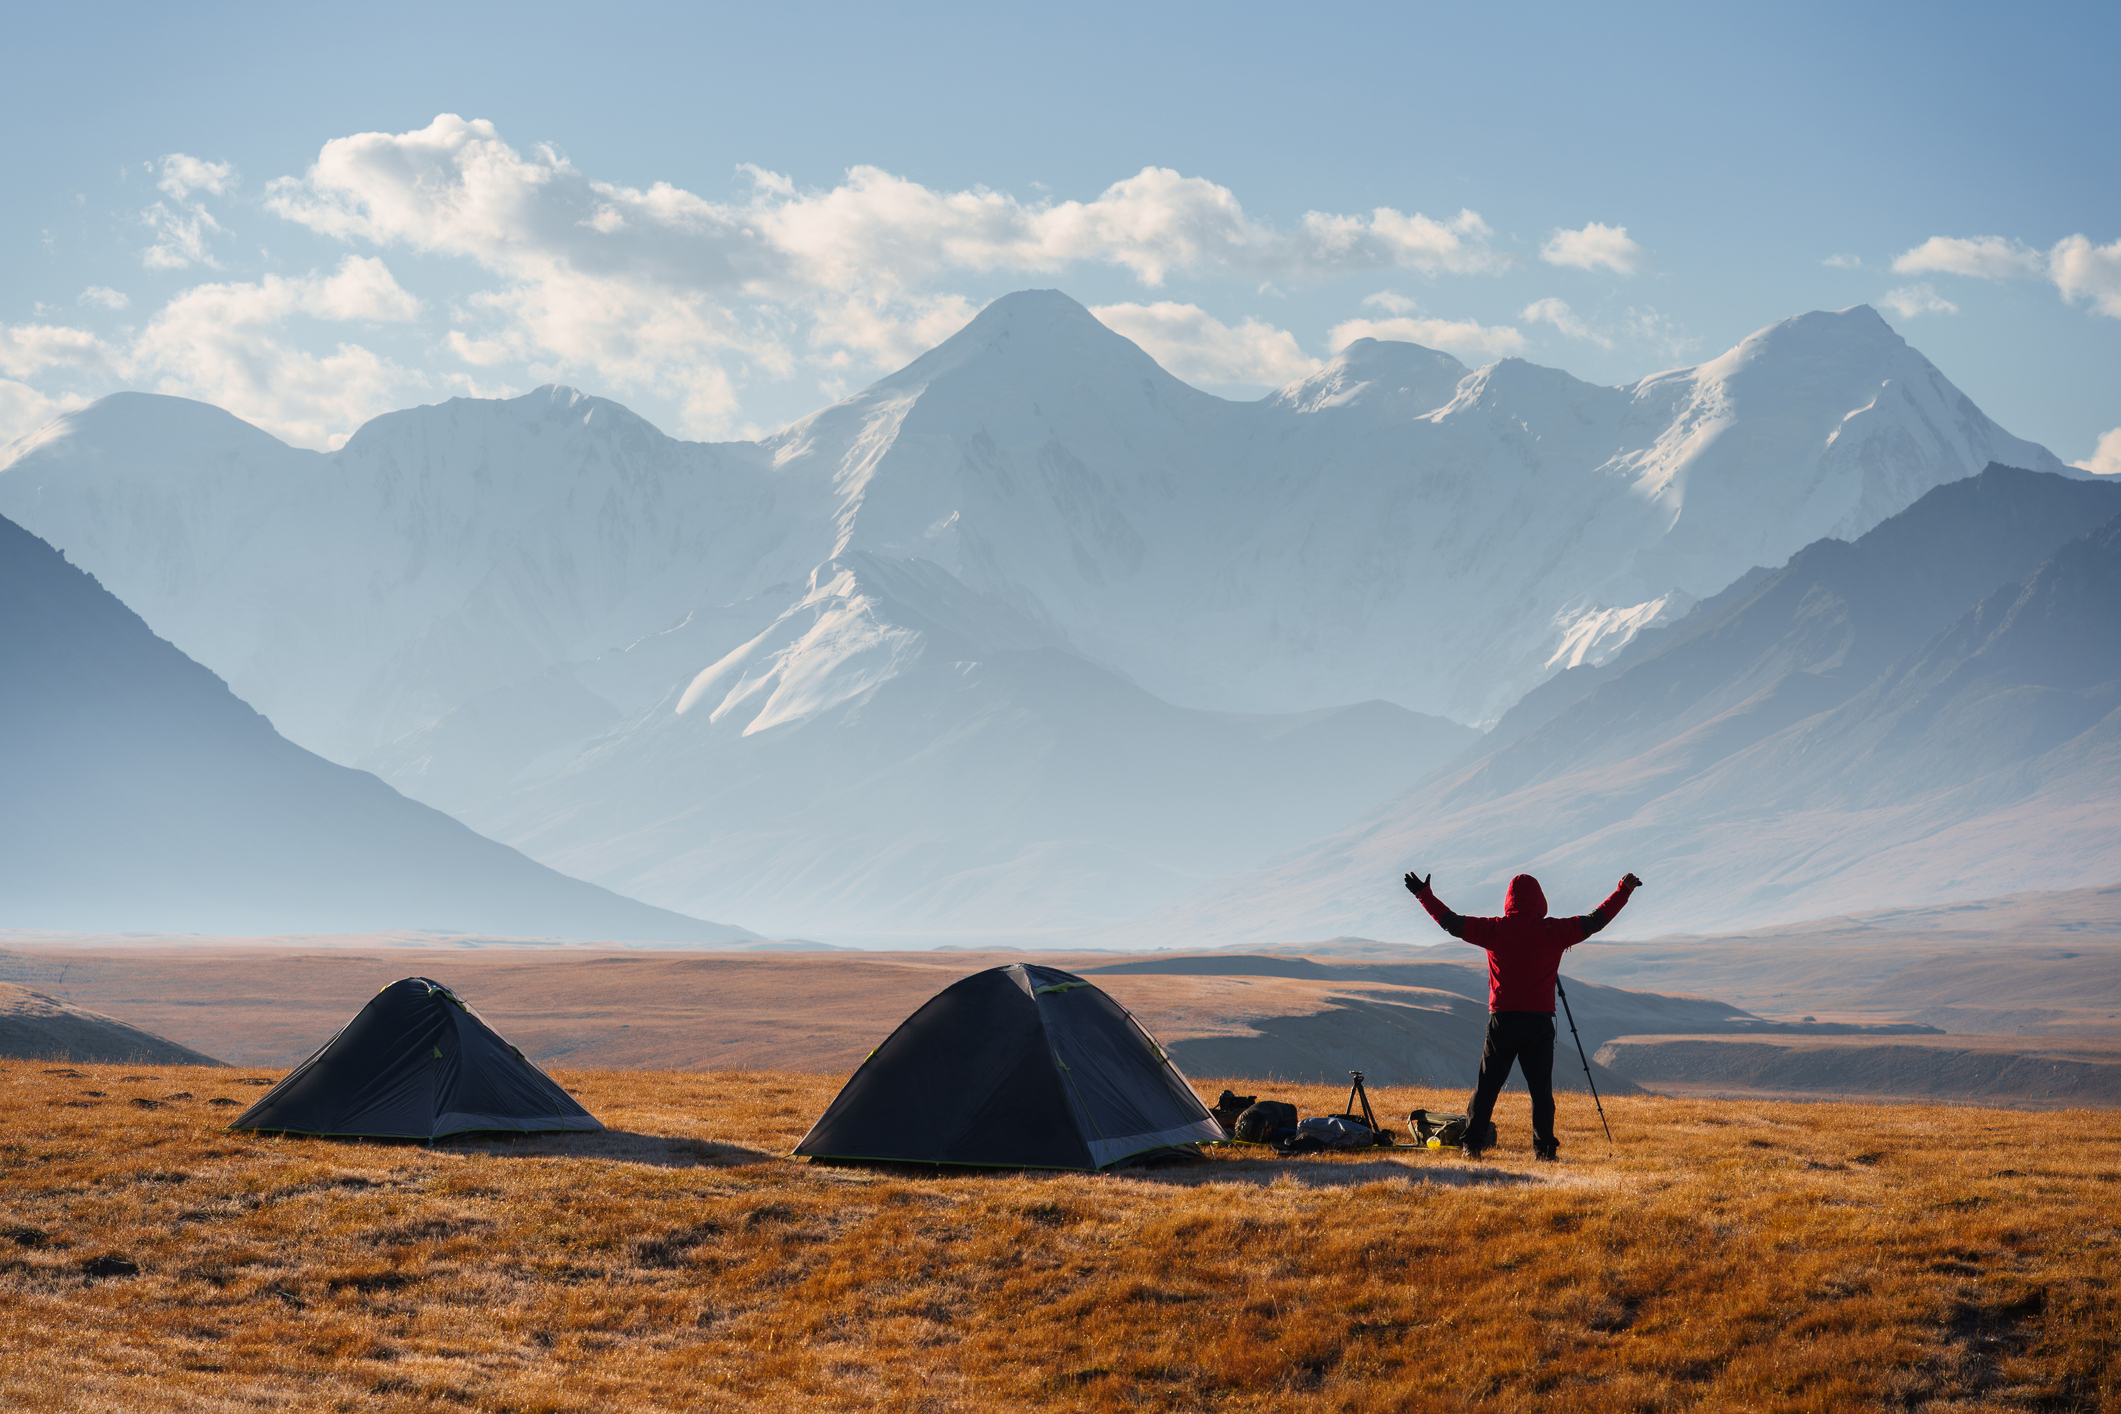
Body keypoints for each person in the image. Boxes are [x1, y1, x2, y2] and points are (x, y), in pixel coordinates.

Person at [1403, 870, 1641, 1161]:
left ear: (1508, 901)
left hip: (1502, 1020)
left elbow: (1451, 923)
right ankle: (1544, 1151)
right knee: (1541, 1092)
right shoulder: (1554, 931)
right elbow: (1595, 921)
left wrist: (1423, 895)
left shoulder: (1495, 929)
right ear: (1540, 901)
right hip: (1539, 1022)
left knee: (1487, 1086)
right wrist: (1622, 891)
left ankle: (1472, 1146)